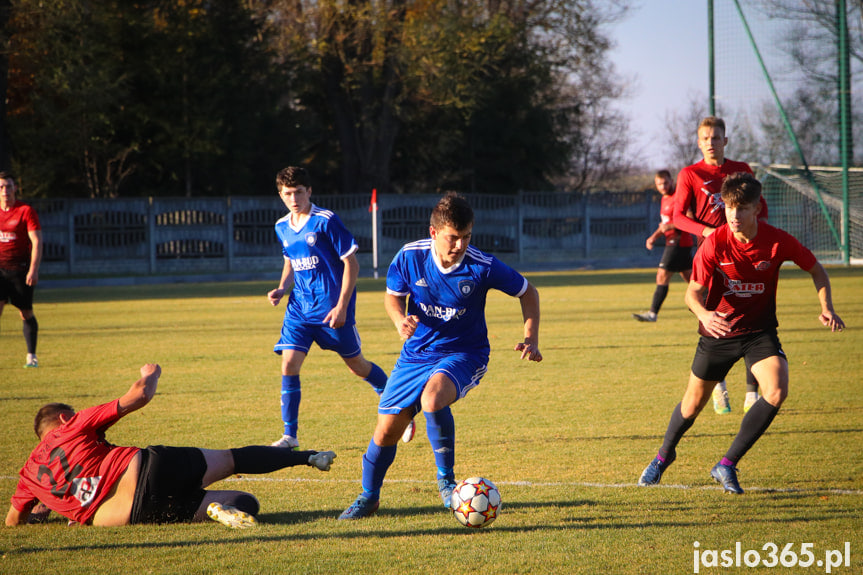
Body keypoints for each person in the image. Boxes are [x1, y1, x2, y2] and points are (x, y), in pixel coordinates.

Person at [338, 192, 542, 520]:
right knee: (386, 430)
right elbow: (393, 298)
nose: (460, 245)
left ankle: (446, 484)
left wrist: (530, 338)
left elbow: (527, 291)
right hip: (416, 354)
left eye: (466, 237)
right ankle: (368, 497)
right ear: (434, 233)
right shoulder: (409, 257)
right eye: (453, 237)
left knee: (433, 399)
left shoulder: (482, 266)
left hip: (465, 353)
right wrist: (399, 319)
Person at [637, 172, 845, 494]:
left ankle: (726, 464)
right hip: (718, 332)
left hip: (758, 333)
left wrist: (826, 306)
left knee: (776, 391)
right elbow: (692, 293)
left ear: (757, 208)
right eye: (730, 207)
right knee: (692, 405)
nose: (734, 215)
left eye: (742, 208)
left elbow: (816, 269)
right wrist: (705, 314)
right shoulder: (715, 242)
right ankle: (663, 457)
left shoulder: (777, 241)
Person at [5, 363, 338, 528]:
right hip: (148, 469)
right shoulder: (73, 426)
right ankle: (306, 458)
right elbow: (139, 395)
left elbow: (12, 521)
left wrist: (45, 508)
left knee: (243, 501)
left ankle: (213, 510)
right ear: (64, 419)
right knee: (232, 460)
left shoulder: (28, 476)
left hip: (133, 515)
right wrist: (151, 373)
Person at [267, 167, 400, 450]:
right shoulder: (281, 227)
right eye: (288, 194)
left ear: (309, 191)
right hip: (300, 310)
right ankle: (289, 436)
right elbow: (290, 261)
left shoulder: (325, 221)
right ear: (280, 195)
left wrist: (341, 307)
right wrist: (282, 287)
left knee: (358, 366)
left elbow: (352, 264)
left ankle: (396, 403)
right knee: (289, 364)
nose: (294, 198)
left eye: (299, 192)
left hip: (332, 312)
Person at [672, 116, 769, 415]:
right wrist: (708, 233)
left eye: (716, 137)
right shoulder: (690, 174)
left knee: (753, 318)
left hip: (745, 257)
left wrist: (757, 242)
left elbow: (761, 211)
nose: (711, 143)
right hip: (711, 258)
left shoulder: (741, 171)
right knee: (714, 319)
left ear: (725, 141)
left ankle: (752, 393)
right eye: (706, 138)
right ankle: (719, 385)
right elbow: (678, 217)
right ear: (698, 142)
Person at [632, 170, 693, 322]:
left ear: (672, 181)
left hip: (679, 242)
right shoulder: (664, 199)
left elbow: (690, 218)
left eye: (665, 182)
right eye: (659, 184)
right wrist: (653, 237)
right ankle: (714, 305)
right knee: (692, 279)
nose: (663, 186)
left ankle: (653, 314)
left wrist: (671, 226)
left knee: (662, 275)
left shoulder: (678, 196)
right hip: (674, 242)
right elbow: (664, 225)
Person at [0, 172, 43, 368]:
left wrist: (33, 269)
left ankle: (31, 357)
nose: (4, 191)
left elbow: (36, 240)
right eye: (1, 187)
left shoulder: (25, 211)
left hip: (20, 270)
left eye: (8, 186)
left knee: (25, 313)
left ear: (15, 188)